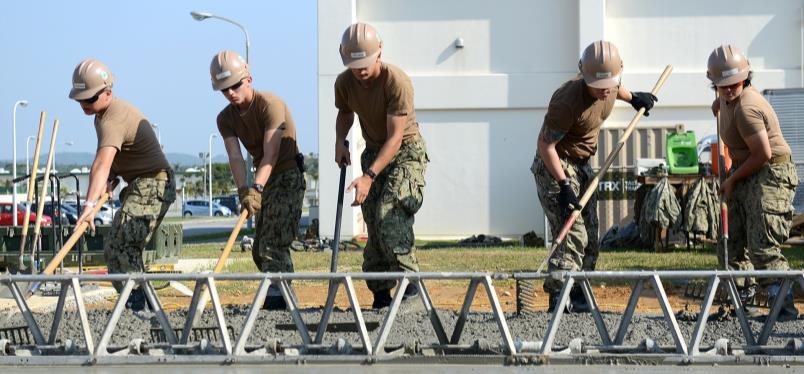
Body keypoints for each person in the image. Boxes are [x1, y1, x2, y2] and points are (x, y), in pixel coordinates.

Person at [532, 41, 657, 313]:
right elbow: (545, 146)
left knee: (590, 234)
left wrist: (634, 97)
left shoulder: (610, 86)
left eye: (610, 86)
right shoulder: (566, 101)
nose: (604, 92)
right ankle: (559, 295)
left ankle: (578, 292)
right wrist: (564, 185)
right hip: (556, 166)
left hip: (582, 164)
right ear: (584, 76)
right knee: (571, 231)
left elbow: (615, 90)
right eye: (597, 87)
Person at [334, 22, 428, 309]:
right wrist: (339, 140)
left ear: (379, 52)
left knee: (390, 211)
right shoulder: (344, 82)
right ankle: (380, 292)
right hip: (373, 150)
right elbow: (345, 112)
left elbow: (395, 138)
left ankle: (411, 287)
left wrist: (369, 176)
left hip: (405, 152)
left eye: (365, 62)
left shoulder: (396, 82)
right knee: (373, 221)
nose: (360, 70)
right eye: (354, 64)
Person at [70, 58, 175, 317]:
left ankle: (143, 305)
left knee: (125, 244)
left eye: (90, 99)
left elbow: (102, 162)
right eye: (80, 100)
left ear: (108, 92)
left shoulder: (113, 117)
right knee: (113, 248)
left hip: (154, 183)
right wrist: (110, 179)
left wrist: (89, 205)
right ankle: (136, 301)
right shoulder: (101, 116)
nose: (85, 105)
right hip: (138, 183)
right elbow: (112, 163)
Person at [708, 44, 798, 321]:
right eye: (722, 86)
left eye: (734, 84)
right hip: (746, 170)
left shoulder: (748, 108)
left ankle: (782, 308)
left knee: (762, 245)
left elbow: (763, 154)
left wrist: (732, 179)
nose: (728, 90)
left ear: (745, 78)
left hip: (770, 174)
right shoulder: (724, 100)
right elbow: (718, 110)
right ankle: (741, 302)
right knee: (731, 241)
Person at [210, 50, 306, 310]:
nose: (230, 92)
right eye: (224, 89)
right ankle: (282, 294)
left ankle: (279, 302)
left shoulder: (270, 105)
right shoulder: (225, 118)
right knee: (259, 248)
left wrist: (257, 188)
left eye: (235, 85)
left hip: (286, 174)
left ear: (248, 79)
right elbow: (235, 157)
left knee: (274, 242)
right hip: (262, 178)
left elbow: (271, 153)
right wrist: (243, 190)